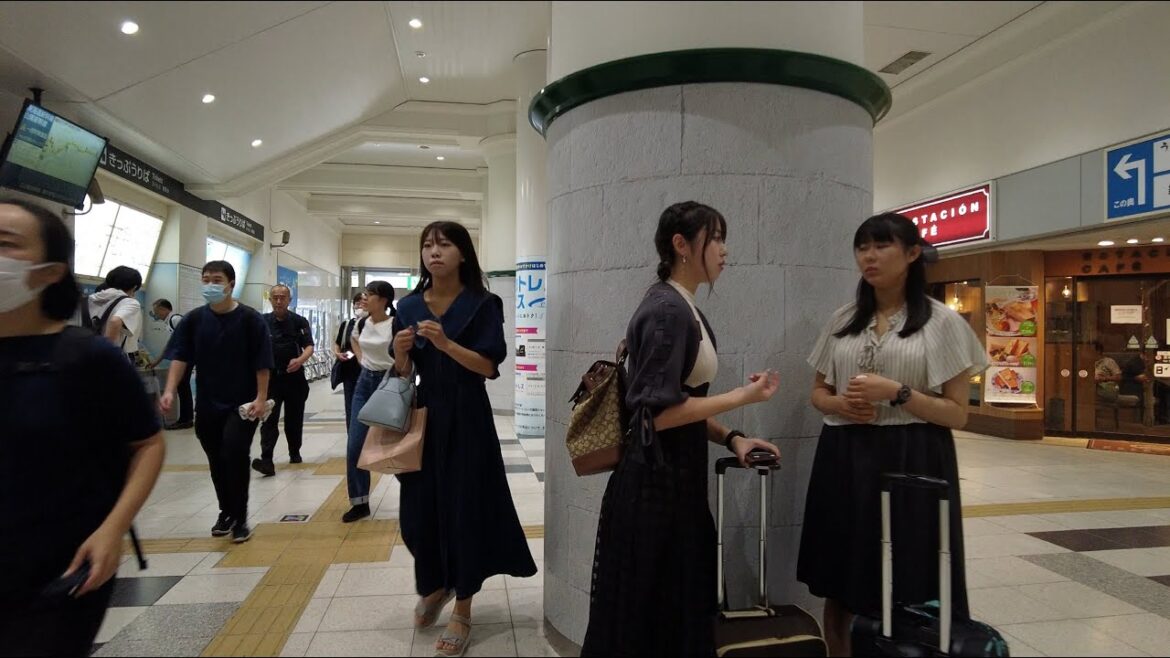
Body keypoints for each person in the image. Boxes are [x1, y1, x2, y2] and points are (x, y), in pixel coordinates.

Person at [581, 201, 781, 657]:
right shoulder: (669, 311)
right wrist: (742, 397)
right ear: (681, 245)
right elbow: (657, 415)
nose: (725, 251)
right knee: (652, 622)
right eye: (716, 239)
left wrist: (733, 436)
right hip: (655, 489)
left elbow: (680, 403)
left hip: (673, 485)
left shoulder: (680, 306)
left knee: (666, 617)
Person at [797, 212, 986, 656]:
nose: (870, 256)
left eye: (882, 246)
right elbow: (817, 392)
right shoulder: (843, 320)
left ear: (913, 253)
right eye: (863, 247)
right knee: (841, 579)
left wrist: (898, 393)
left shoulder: (941, 323)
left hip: (913, 457)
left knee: (911, 574)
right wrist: (838, 404)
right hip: (844, 455)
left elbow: (958, 414)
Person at [0, 198, 165, 655]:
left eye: (5, 245)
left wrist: (113, 528)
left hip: (61, 567)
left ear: (49, 272)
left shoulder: (87, 359)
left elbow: (148, 443)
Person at [391, 221, 538, 657]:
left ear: (462, 254)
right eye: (427, 245)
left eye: (445, 244)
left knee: (464, 511)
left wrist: (447, 344)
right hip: (424, 416)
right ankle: (437, 585)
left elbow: (489, 367)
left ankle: (464, 608)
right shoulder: (409, 304)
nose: (434, 252)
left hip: (469, 418)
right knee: (418, 514)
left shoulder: (483, 303)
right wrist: (401, 353)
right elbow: (403, 373)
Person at [161, 261, 273, 544]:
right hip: (208, 403)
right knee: (216, 460)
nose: (210, 285)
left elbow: (262, 363)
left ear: (231, 284)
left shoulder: (250, 319)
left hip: (242, 405)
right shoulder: (194, 320)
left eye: (217, 279)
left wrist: (261, 398)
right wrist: (170, 390)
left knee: (235, 453)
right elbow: (180, 356)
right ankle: (226, 511)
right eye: (206, 279)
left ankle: (241, 518)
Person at [342, 281, 396, 523]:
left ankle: (421, 499)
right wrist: (363, 361)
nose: (364, 299)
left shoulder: (395, 323)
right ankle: (359, 502)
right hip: (364, 383)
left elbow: (406, 352)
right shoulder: (361, 322)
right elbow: (354, 341)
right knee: (355, 446)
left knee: (399, 447)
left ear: (384, 300)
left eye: (370, 295)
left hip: (390, 384)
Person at [253, 284, 315, 476]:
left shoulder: (299, 321)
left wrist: (300, 360)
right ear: (270, 299)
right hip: (271, 380)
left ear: (289, 300)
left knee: (294, 419)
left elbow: (309, 346)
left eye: (283, 297)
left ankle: (294, 452)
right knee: (269, 420)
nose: (279, 301)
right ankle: (267, 459)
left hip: (295, 379)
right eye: (275, 297)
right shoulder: (262, 322)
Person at [148, 299, 193, 430]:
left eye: (157, 312)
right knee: (182, 387)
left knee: (183, 387)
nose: (156, 315)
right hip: (184, 358)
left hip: (187, 359)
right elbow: (171, 344)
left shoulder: (175, 319)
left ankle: (186, 419)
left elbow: (190, 339)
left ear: (164, 309)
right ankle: (186, 418)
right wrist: (157, 361)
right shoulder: (169, 323)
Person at [86, 265, 144, 357]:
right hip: (109, 356)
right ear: (134, 287)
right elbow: (115, 321)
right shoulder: (130, 302)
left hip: (85, 354)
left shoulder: (90, 299)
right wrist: (107, 354)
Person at [333, 291, 367, 432]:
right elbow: (338, 343)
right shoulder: (347, 324)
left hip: (368, 370)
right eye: (357, 303)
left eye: (364, 302)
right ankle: (352, 434)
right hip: (349, 371)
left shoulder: (373, 324)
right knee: (351, 405)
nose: (360, 306)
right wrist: (337, 354)